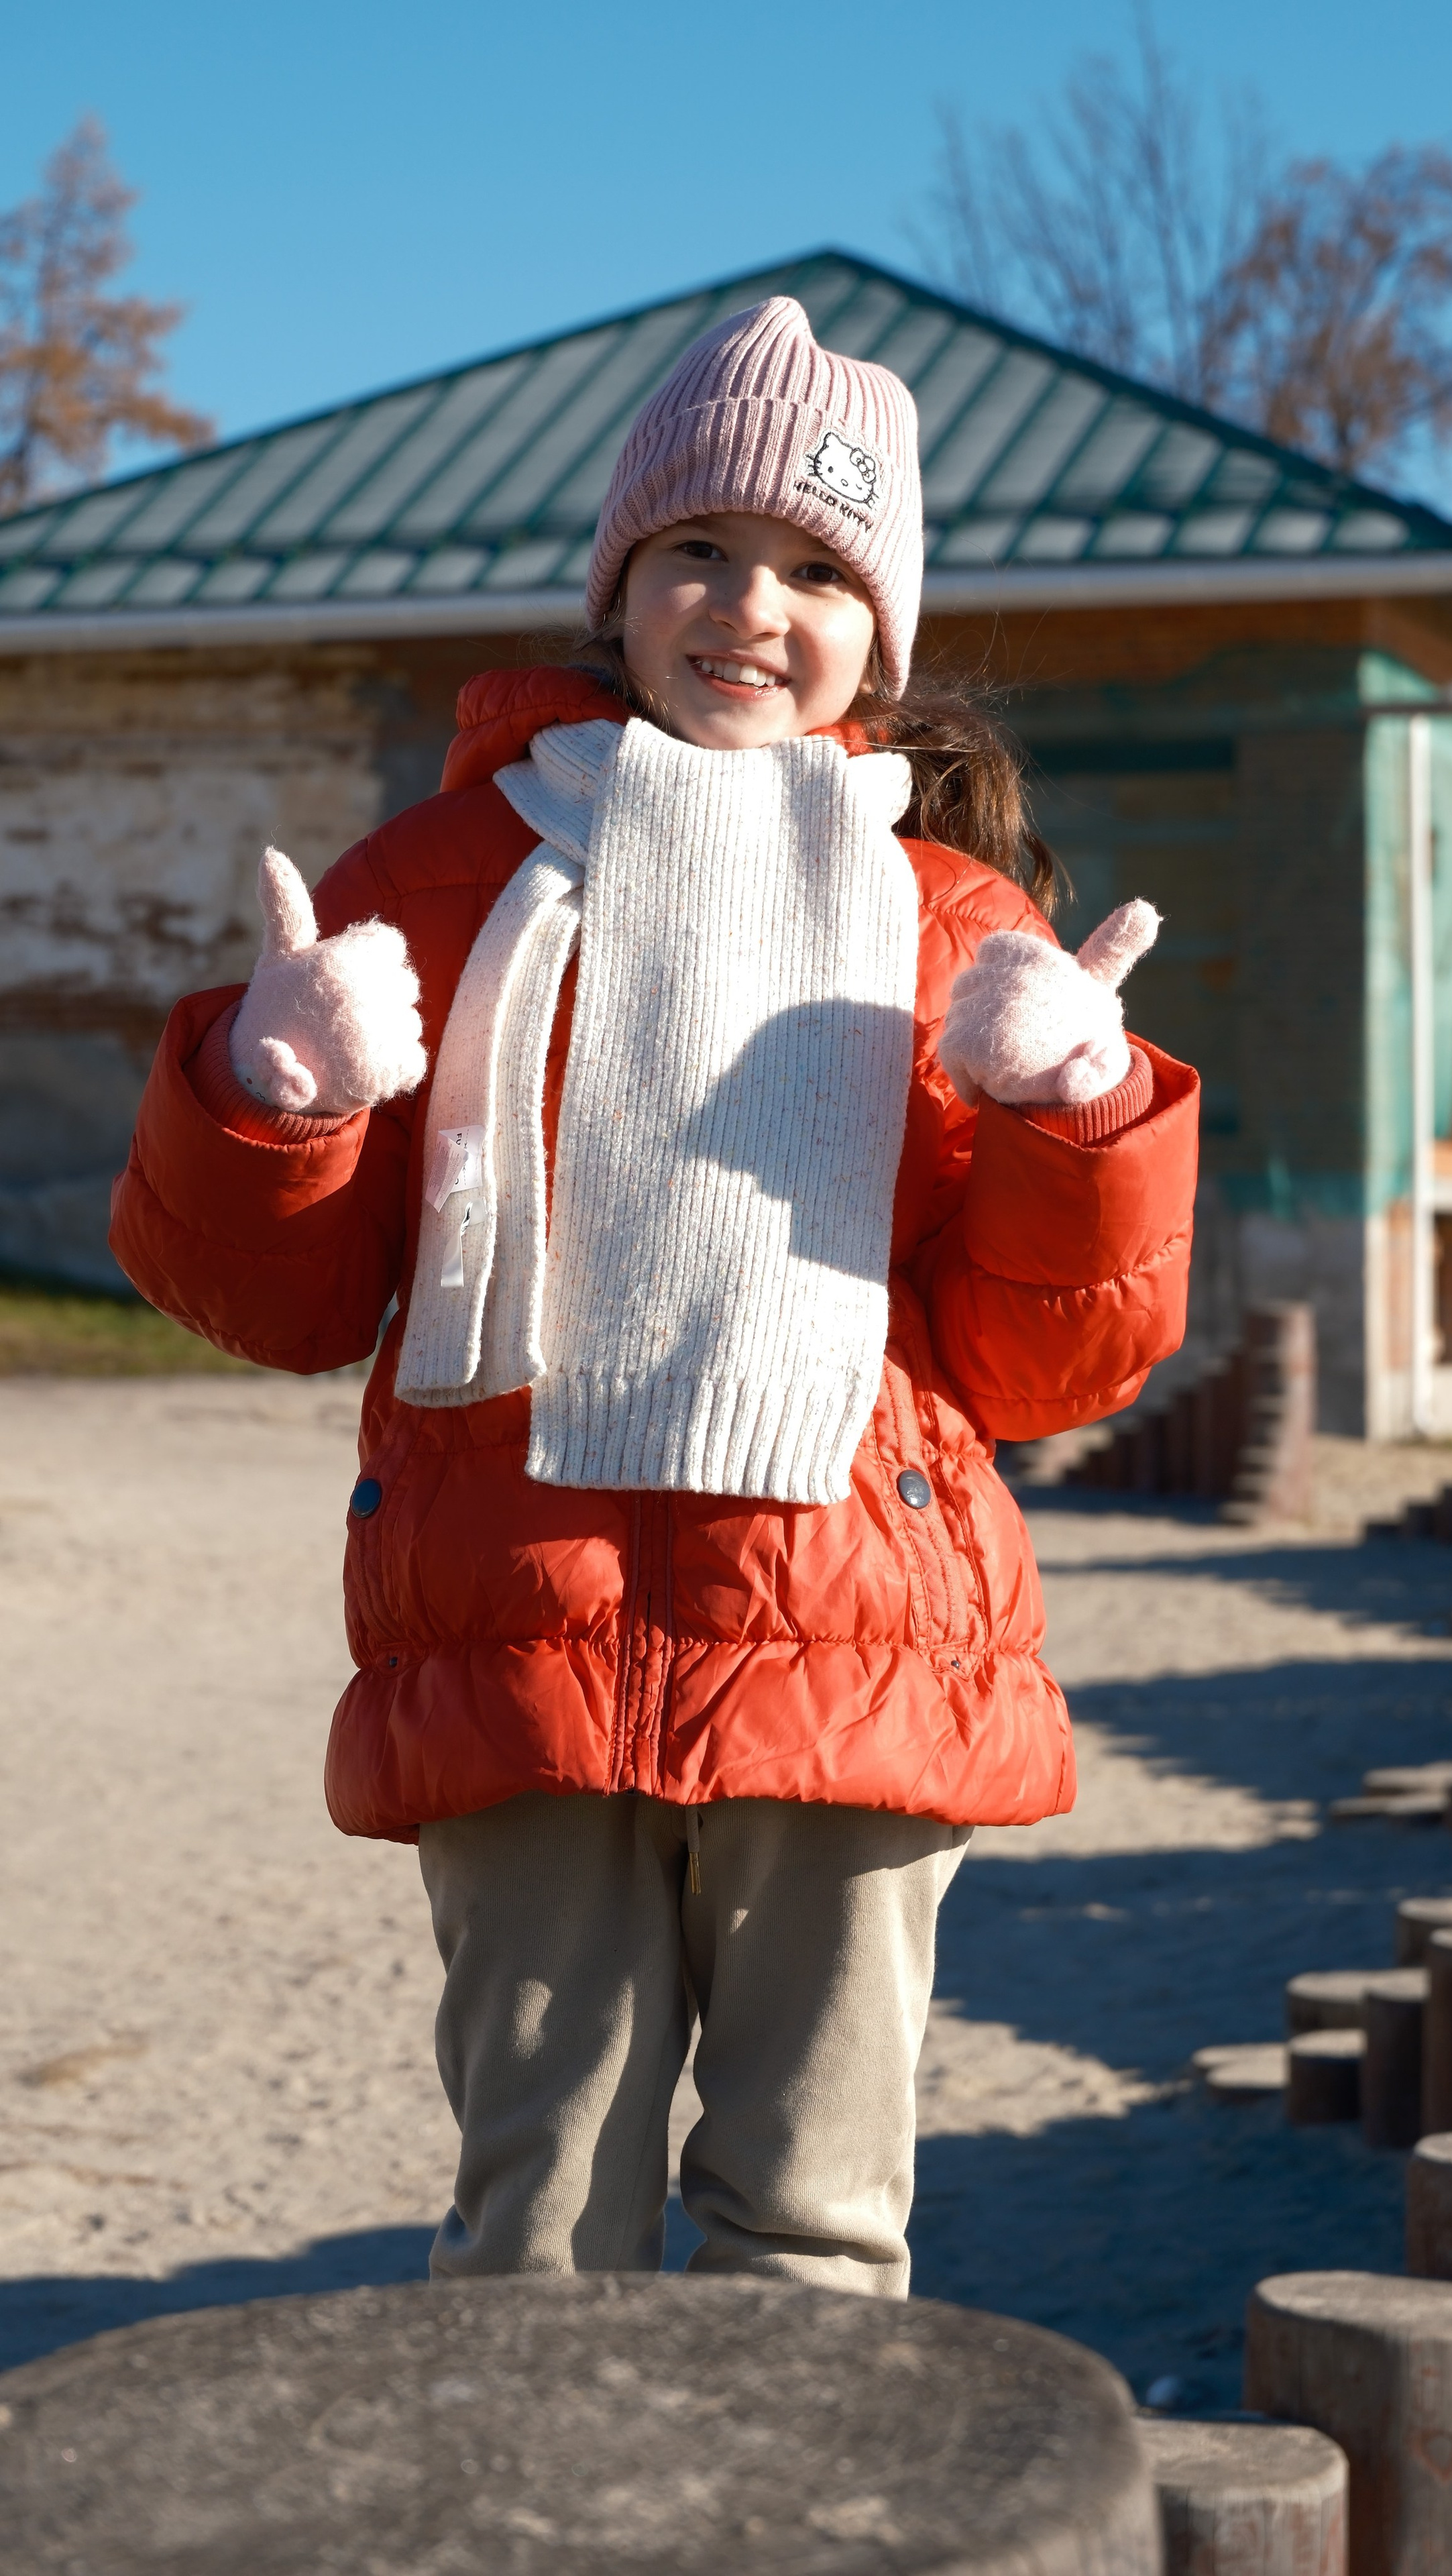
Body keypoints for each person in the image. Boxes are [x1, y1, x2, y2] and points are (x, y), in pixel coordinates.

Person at [111, 297, 1198, 2296]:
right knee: (539, 2232)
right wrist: (273, 1102)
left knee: (813, 2225)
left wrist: (1083, 1116)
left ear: (883, 626)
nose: (748, 605)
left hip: (856, 1634)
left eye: (814, 566)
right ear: (617, 585)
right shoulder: (440, 875)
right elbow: (283, 1299)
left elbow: (1048, 1364)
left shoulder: (961, 922)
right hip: (521, 1616)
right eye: (697, 548)